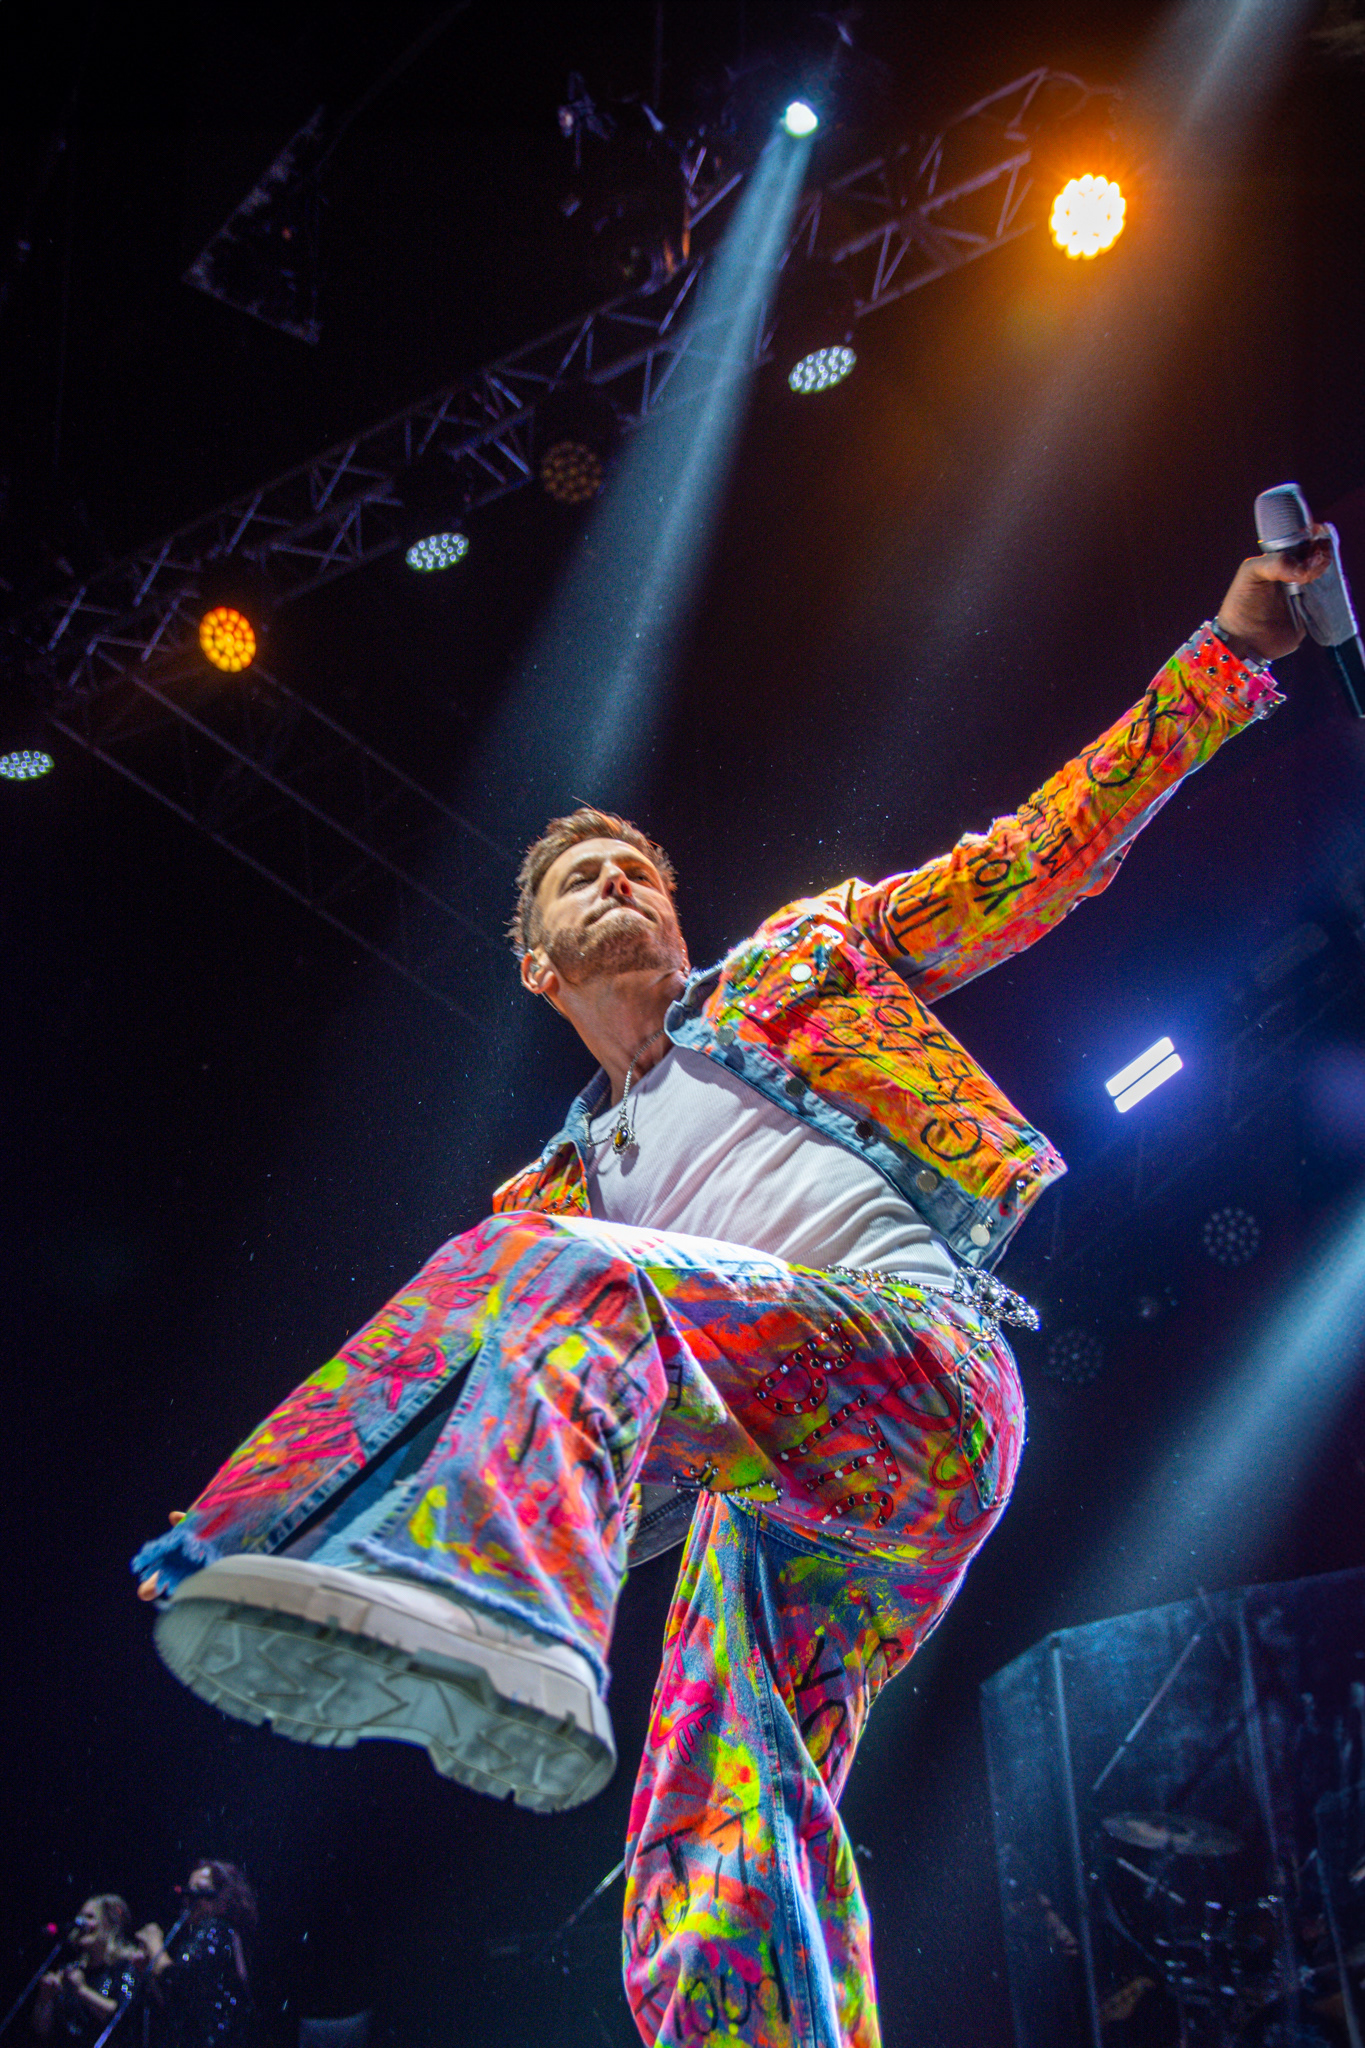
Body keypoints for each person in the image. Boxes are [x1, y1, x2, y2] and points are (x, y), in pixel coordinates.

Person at [131, 540, 1329, 2048]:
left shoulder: (801, 963)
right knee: (710, 1849)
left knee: (552, 1278)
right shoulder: (553, 1190)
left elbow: (1044, 851)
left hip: (923, 1375)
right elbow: (451, 1383)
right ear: (534, 963)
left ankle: (488, 1605)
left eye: (641, 866)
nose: (624, 879)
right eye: (585, 876)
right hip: (786, 1505)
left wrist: (1224, 657)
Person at [136, 1864, 254, 2048]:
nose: (189, 1895)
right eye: (189, 1889)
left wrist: (154, 1943)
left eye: (200, 1889)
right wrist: (150, 1971)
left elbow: (176, 1980)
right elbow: (178, 2001)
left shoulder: (216, 1930)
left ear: (223, 1897)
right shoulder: (200, 1935)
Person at [32, 1899, 142, 2043]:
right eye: (80, 1917)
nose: (81, 1923)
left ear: (109, 1924)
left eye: (90, 1917)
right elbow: (43, 2031)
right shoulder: (71, 1971)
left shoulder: (125, 1967)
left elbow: (122, 2017)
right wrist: (45, 2000)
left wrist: (81, 1990)